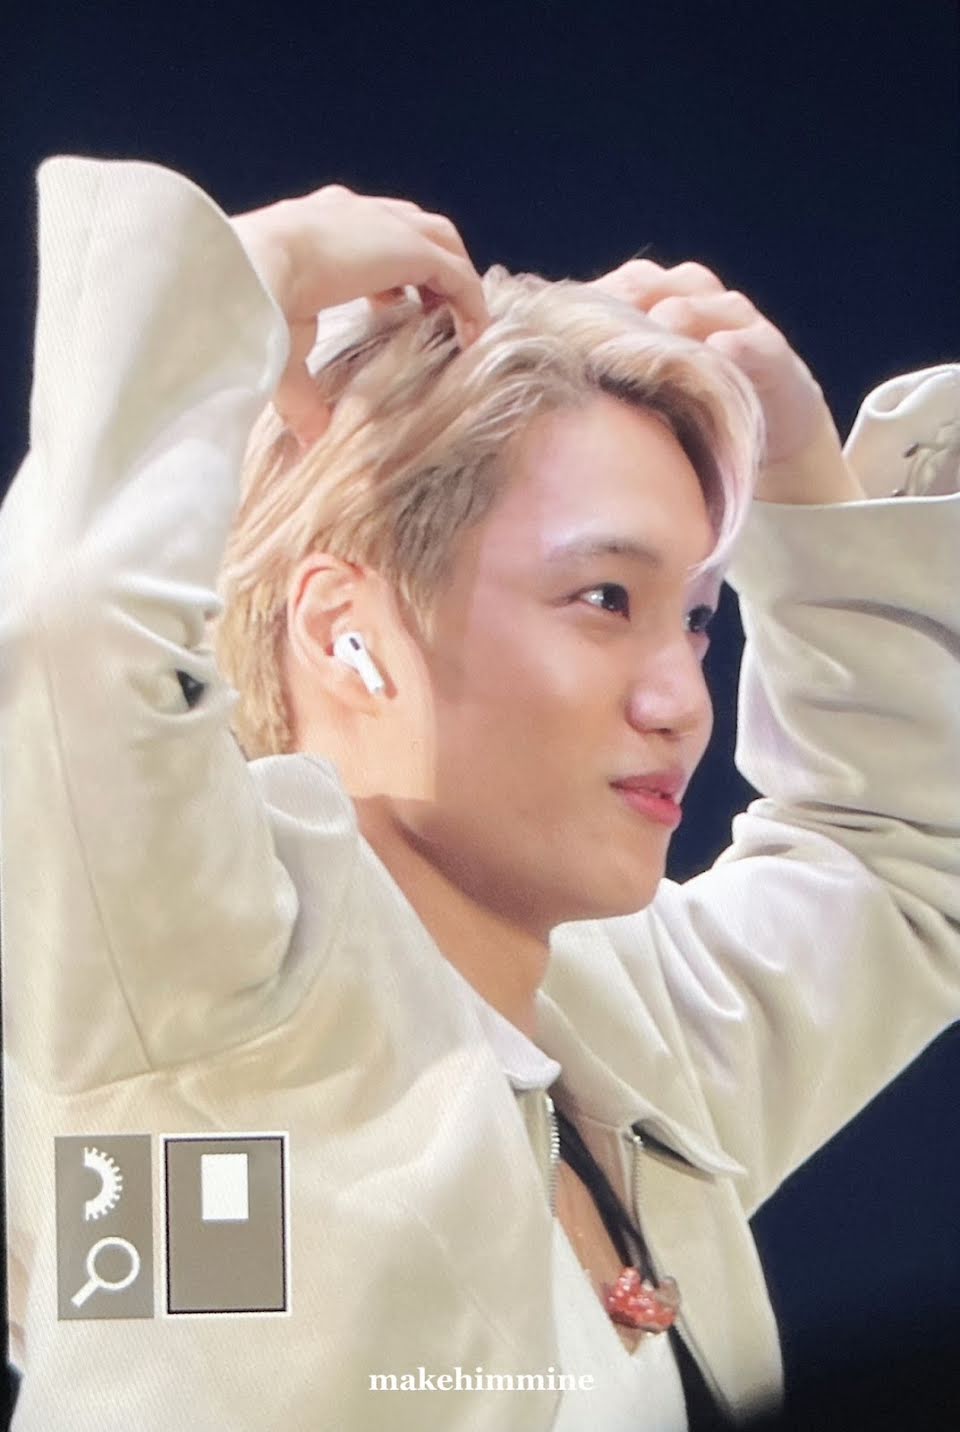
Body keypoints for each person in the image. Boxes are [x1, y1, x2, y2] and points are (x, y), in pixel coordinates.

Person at [1, 154, 957, 1432]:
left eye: (695, 620)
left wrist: (803, 486)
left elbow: (897, 856)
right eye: (606, 598)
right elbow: (67, 645)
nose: (683, 699)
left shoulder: (613, 1031)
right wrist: (239, 278)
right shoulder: (206, 993)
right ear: (344, 631)